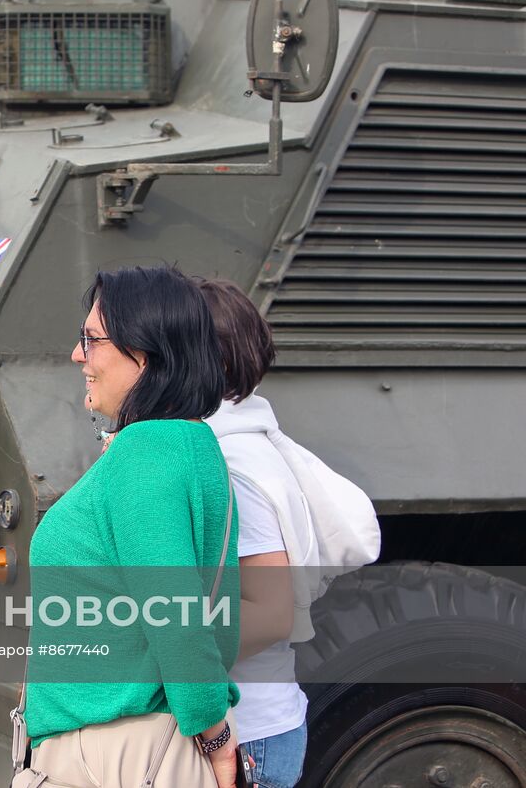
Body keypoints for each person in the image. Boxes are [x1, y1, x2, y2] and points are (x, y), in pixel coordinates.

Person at [21, 265, 240, 788]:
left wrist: (217, 740)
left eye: (91, 340)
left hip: (116, 754)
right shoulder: (181, 443)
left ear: (144, 353)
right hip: (123, 747)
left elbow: (176, 615)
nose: (78, 355)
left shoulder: (148, 452)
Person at [198, 278, 332, 788]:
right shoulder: (238, 443)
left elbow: (271, 614)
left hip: (245, 737)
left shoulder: (231, 462)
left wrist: (151, 656)